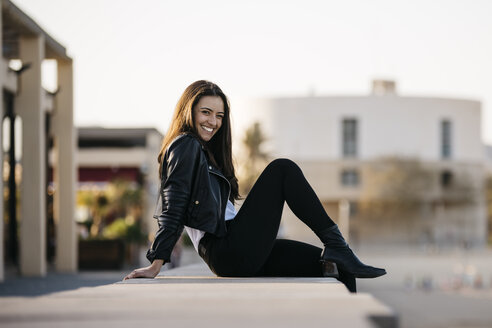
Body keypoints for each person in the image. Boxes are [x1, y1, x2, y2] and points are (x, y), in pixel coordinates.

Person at [123, 80, 386, 292]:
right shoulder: (185, 146)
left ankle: (340, 254)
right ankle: (338, 244)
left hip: (237, 248)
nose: (213, 122)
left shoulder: (204, 153)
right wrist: (156, 263)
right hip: (226, 248)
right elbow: (174, 205)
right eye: (205, 112)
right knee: (282, 169)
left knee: (337, 268)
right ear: (188, 111)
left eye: (219, 116)